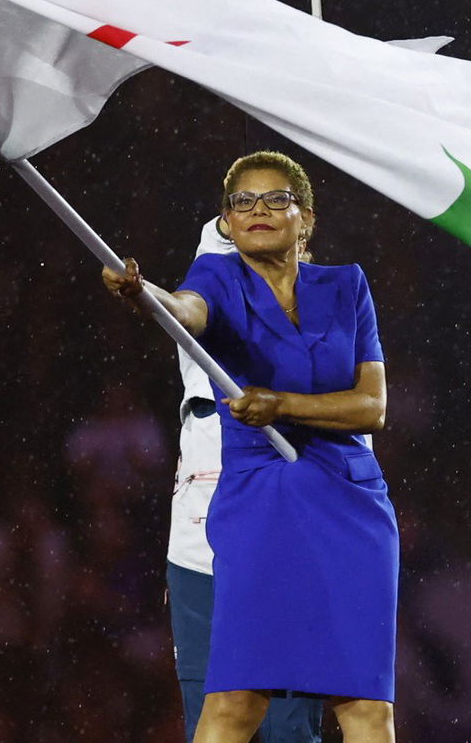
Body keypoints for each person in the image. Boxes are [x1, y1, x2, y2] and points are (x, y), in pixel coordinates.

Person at [103, 150, 396, 743]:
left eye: (275, 199)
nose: (258, 210)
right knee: (236, 697)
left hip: (349, 502)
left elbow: (373, 406)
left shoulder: (347, 286)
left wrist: (281, 405)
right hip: (258, 502)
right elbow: (184, 311)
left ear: (305, 217)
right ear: (227, 223)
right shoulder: (216, 279)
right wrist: (143, 295)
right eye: (242, 202)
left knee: (364, 704)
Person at [166, 218, 324, 743]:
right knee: (207, 717)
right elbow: (185, 299)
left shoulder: (328, 320)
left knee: (287, 726)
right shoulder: (204, 307)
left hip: (284, 536)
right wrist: (142, 291)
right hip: (199, 540)